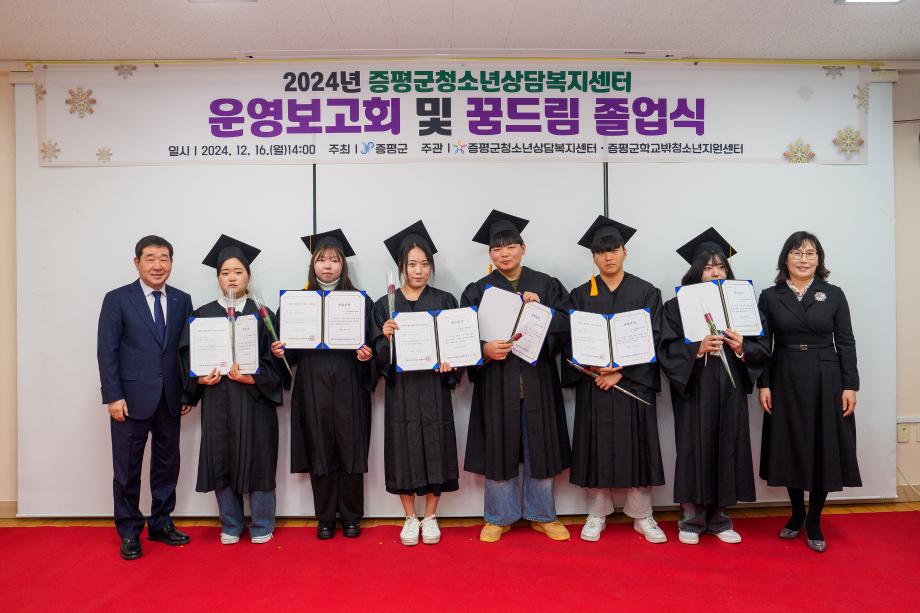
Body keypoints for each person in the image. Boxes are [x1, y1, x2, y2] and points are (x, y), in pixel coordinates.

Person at [460, 209, 572, 543]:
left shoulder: (546, 284)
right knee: (499, 446)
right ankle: (499, 516)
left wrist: (542, 311)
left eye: (510, 246)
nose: (504, 253)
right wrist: (483, 350)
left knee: (540, 446)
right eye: (497, 248)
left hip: (538, 381)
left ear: (523, 248)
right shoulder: (479, 290)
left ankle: (542, 514)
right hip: (497, 383)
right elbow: (462, 335)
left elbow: (567, 325)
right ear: (490, 254)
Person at [659, 227, 770, 545]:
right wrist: (696, 348)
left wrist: (742, 347)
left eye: (721, 266)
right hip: (695, 388)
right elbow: (665, 348)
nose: (716, 272)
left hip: (730, 388)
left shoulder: (742, 302)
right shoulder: (677, 305)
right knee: (693, 448)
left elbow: (763, 347)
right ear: (696, 270)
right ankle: (691, 520)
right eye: (708, 267)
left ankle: (720, 519)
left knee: (727, 446)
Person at [563, 216, 667, 544]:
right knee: (595, 447)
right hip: (595, 384)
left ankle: (642, 514)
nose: (608, 257)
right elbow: (571, 340)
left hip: (632, 384)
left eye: (613, 250)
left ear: (625, 252)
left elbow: (655, 337)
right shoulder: (580, 295)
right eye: (601, 251)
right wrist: (597, 370)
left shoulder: (646, 292)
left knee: (639, 447)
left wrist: (622, 372)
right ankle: (597, 513)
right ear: (593, 256)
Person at [758, 231, 860, 553]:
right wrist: (764, 383)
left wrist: (850, 384)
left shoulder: (833, 294)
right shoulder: (770, 296)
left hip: (826, 377)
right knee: (790, 444)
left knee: (822, 446)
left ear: (819, 259)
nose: (804, 259)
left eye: (810, 253)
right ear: (785, 258)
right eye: (797, 253)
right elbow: (763, 344)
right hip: (784, 375)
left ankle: (814, 518)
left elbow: (846, 342)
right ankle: (797, 513)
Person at [180, 235, 285, 545]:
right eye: (225, 272)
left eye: (238, 271)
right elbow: (187, 361)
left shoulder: (263, 314)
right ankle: (231, 523)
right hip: (218, 400)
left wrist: (253, 379)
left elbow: (278, 365)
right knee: (221, 458)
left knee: (259, 459)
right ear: (218, 278)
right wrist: (199, 381)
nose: (232, 277)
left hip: (255, 402)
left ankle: (262, 523)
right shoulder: (201, 315)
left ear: (248, 276)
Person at [272, 229, 375, 540]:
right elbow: (289, 354)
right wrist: (281, 351)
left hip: (349, 382)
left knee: (351, 447)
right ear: (312, 265)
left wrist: (367, 354)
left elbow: (373, 344)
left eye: (334, 260)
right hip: (312, 383)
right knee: (319, 446)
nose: (327, 265)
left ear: (343, 264)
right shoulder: (295, 303)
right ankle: (326, 517)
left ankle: (352, 516)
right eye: (321, 260)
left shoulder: (360, 301)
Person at [97, 235, 194, 560]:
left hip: (170, 398)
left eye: (164, 258)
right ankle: (129, 531)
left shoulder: (182, 299)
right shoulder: (117, 299)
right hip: (130, 399)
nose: (158, 265)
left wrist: (187, 392)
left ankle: (161, 523)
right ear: (136, 262)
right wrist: (113, 396)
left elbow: (185, 351)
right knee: (127, 469)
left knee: (167, 465)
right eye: (150, 258)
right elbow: (107, 351)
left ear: (171, 263)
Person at [371, 220, 460, 546]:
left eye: (424, 264)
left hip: (434, 388)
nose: (419, 270)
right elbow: (378, 357)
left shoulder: (445, 300)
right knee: (402, 447)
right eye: (412, 264)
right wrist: (384, 337)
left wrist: (451, 362)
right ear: (401, 267)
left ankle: (431, 516)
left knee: (437, 445)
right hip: (402, 390)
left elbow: (456, 344)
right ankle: (410, 517)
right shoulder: (385, 305)